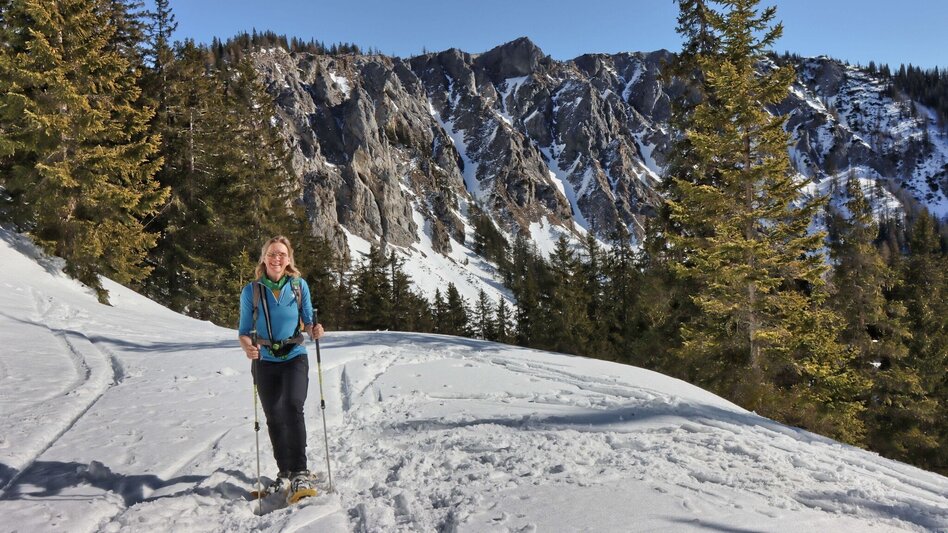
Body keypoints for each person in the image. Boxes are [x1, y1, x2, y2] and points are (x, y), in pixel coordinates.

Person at [238, 235, 325, 498]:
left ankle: (300, 472)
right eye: (272, 254)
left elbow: (309, 323)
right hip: (264, 360)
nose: (277, 259)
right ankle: (284, 472)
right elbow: (243, 331)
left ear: (289, 260)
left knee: (291, 406)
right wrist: (247, 347)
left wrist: (315, 329)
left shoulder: (299, 286)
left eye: (282, 255)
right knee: (273, 416)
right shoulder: (251, 291)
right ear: (264, 257)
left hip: (295, 355)